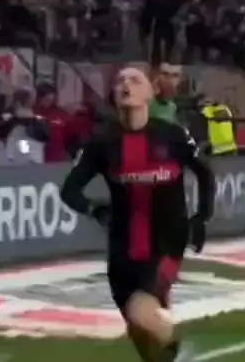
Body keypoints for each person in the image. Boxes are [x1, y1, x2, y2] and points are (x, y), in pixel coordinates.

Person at [61, 66, 215, 362]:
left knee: (141, 311)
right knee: (140, 335)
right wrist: (94, 209)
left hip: (166, 241)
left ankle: (183, 355)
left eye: (135, 80)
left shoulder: (173, 136)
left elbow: (205, 173)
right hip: (122, 249)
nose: (126, 84)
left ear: (149, 93)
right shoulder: (101, 142)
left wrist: (201, 218)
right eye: (120, 80)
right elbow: (69, 190)